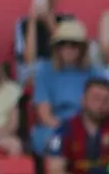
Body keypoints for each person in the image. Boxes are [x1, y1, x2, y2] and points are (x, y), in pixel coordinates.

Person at [27, 18, 100, 153]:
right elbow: (44, 115)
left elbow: (99, 108)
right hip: (55, 126)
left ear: (82, 47)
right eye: (62, 44)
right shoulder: (45, 71)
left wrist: (80, 130)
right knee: (53, 143)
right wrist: (67, 130)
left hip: (87, 125)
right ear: (56, 48)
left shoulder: (94, 71)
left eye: (73, 44)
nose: (68, 49)